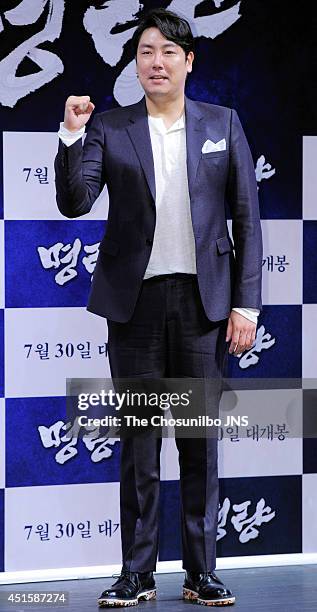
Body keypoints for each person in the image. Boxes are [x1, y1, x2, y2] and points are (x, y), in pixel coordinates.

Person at [54, 7, 262, 607]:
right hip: (136, 307)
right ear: (135, 62)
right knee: (140, 446)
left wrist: (246, 306)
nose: (156, 62)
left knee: (199, 445)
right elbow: (75, 201)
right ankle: (137, 573)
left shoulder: (222, 122)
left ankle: (201, 573)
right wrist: (70, 135)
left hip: (203, 308)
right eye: (146, 52)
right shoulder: (110, 128)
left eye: (168, 52)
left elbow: (247, 219)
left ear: (189, 61)